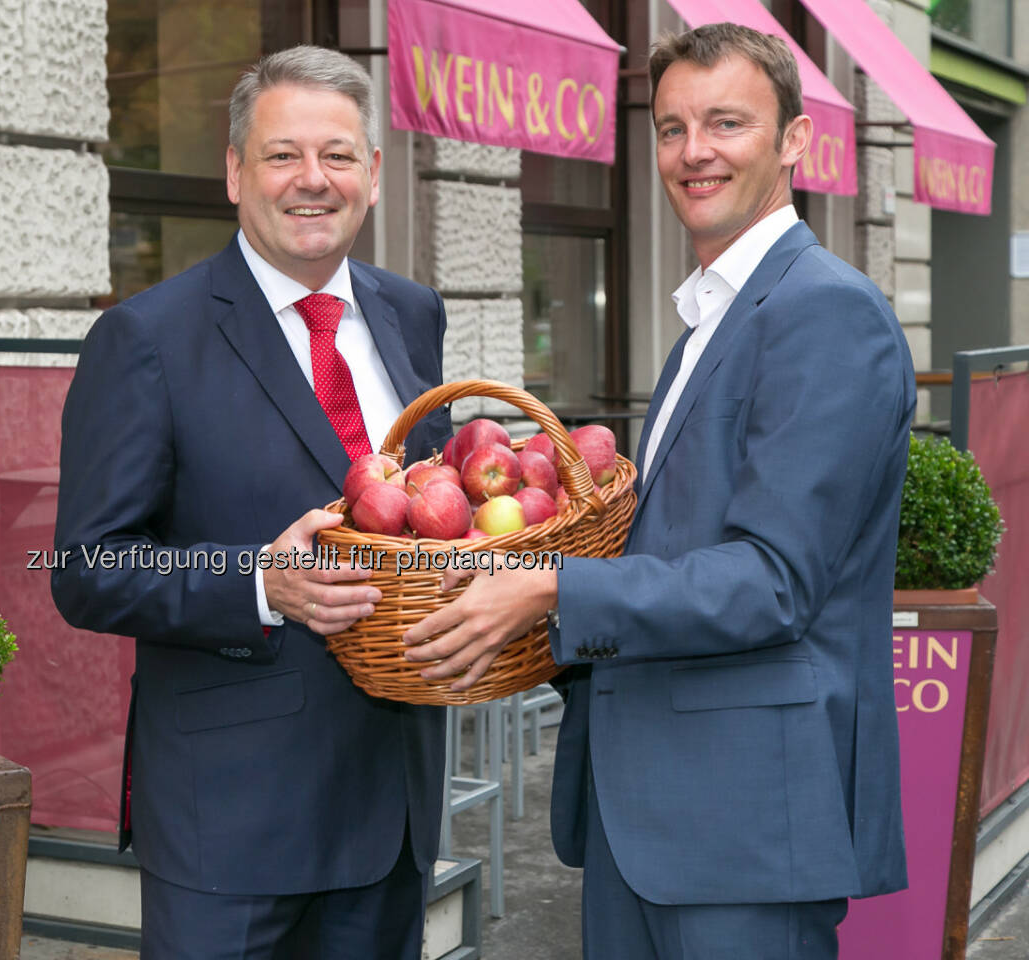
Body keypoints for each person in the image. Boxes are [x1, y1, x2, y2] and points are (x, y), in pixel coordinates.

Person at [404, 23, 913, 959]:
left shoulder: (826, 313)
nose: (694, 151)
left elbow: (770, 581)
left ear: (795, 141)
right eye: (673, 128)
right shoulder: (707, 321)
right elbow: (668, 547)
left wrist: (551, 588)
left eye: (727, 122)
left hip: (743, 825)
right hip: (649, 819)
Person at [51, 45, 451, 960]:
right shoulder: (144, 340)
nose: (313, 181)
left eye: (338, 155)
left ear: (374, 175)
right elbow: (85, 569)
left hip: (391, 809)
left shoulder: (412, 314)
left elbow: (428, 518)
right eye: (282, 155)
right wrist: (263, 583)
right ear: (235, 173)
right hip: (228, 827)